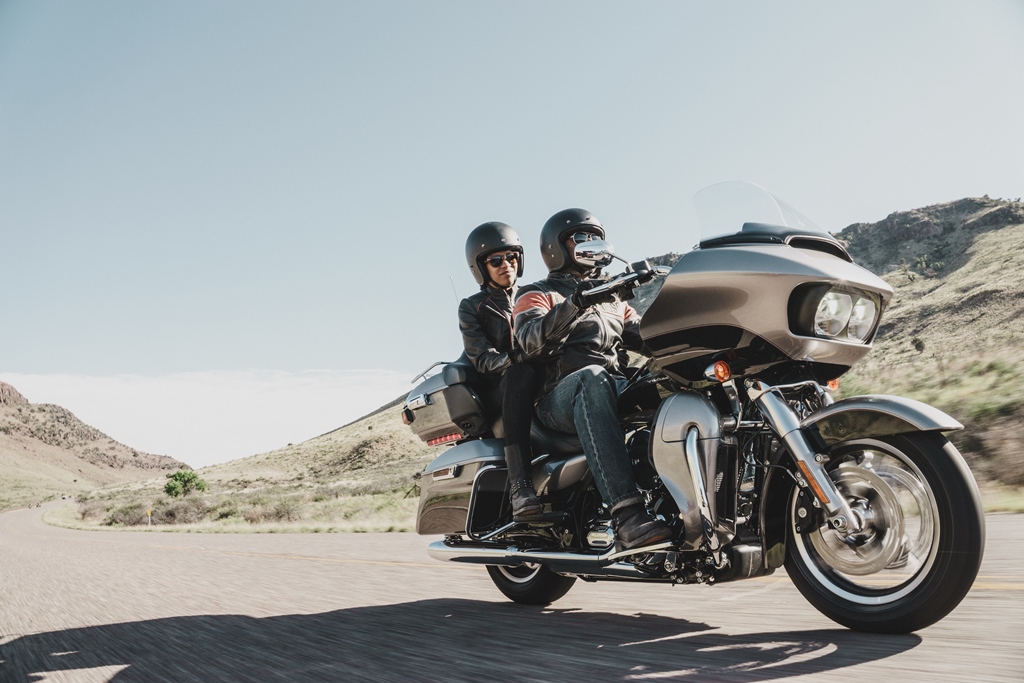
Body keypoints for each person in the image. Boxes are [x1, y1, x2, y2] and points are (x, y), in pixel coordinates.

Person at [512, 208, 672, 550]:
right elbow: (529, 342)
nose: (591, 244)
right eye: (580, 238)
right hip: (559, 397)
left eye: (595, 237)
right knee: (592, 377)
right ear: (556, 247)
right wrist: (576, 303)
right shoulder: (536, 292)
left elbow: (647, 337)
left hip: (611, 386)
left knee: (675, 382)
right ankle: (627, 515)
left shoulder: (614, 299)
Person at [458, 222, 545, 520]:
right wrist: (517, 358)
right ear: (480, 267)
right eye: (496, 260)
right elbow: (482, 358)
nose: (506, 265)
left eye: (512, 257)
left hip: (536, 378)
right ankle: (520, 486)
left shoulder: (534, 295)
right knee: (521, 374)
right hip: (499, 387)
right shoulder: (472, 307)